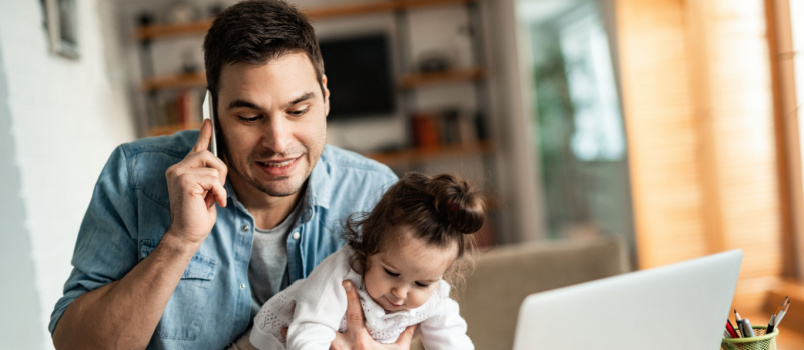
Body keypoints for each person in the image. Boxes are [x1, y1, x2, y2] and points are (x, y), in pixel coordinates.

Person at [48, 1, 409, 348]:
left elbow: (418, 315)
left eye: (298, 110)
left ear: (326, 97)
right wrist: (179, 242)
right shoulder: (135, 175)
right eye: (250, 117)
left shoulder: (375, 192)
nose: (279, 142)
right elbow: (76, 345)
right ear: (212, 111)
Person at [245, 173, 484, 349]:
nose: (400, 293)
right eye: (391, 272)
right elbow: (309, 331)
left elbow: (453, 341)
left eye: (421, 284)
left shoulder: (436, 297)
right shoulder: (341, 273)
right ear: (370, 245)